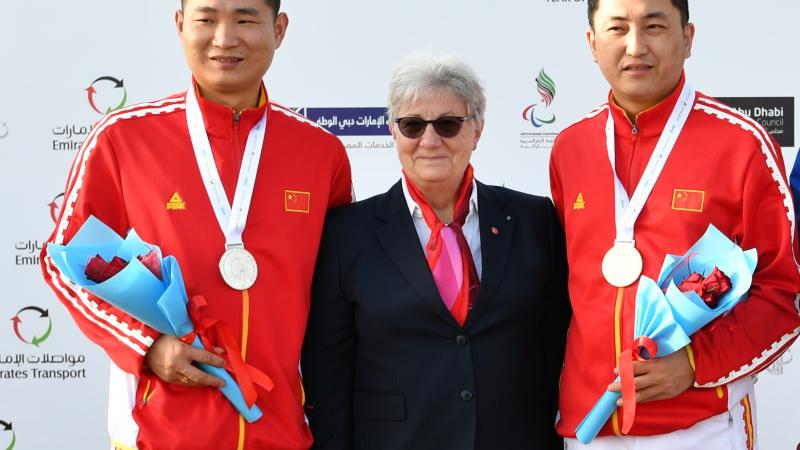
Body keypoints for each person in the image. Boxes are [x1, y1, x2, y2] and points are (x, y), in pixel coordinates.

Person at [39, 0, 352, 449]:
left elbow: (343, 296)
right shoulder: (123, 140)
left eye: (245, 19)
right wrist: (146, 346)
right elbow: (61, 264)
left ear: (279, 29)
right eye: (207, 19)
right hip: (162, 434)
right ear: (181, 25)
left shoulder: (320, 153)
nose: (225, 38)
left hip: (282, 431)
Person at [549, 0, 800, 448]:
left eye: (654, 26)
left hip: (700, 427)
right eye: (617, 28)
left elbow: (784, 294)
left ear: (687, 39)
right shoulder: (571, 148)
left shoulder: (741, 144)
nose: (635, 46)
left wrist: (693, 364)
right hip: (591, 429)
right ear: (592, 43)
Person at [301, 53, 570, 450]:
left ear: (476, 130)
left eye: (448, 124)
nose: (429, 141)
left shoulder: (534, 220)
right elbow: (330, 383)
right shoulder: (346, 234)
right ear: (393, 131)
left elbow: (556, 348)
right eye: (412, 125)